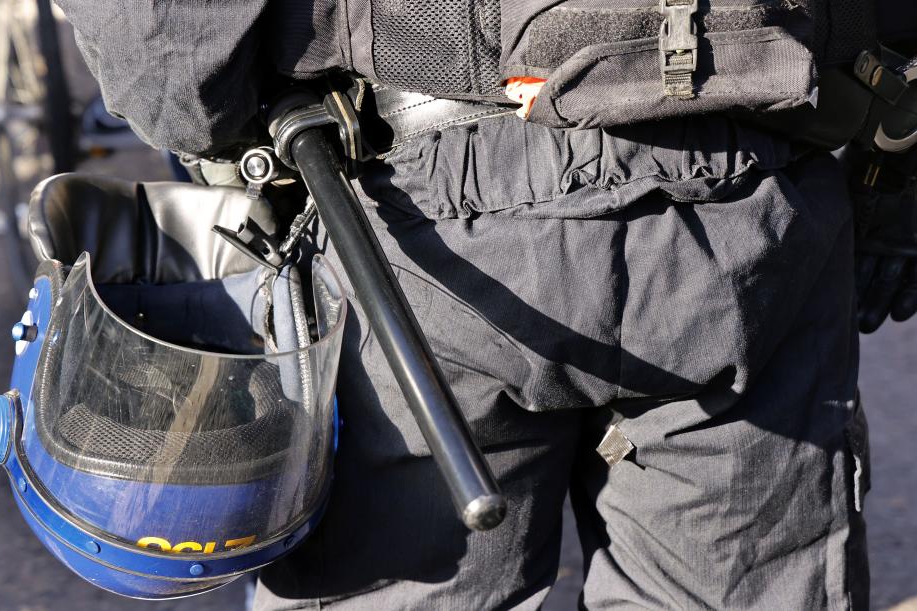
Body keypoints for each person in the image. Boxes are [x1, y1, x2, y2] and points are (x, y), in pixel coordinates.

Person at [49, 1, 917, 608]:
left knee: (399, 591)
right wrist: (896, 171)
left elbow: (167, 47)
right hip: (742, 197)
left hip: (403, 211)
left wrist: (217, 137)